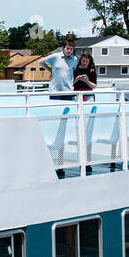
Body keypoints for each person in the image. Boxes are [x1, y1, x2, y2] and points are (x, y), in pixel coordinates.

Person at [41, 35, 79, 173]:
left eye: (71, 49)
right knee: (55, 126)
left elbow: (72, 71)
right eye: (67, 48)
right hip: (55, 92)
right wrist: (50, 70)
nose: (69, 51)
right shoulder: (55, 57)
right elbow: (41, 62)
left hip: (68, 93)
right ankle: (52, 161)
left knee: (64, 127)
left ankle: (61, 161)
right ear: (63, 48)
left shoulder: (74, 60)